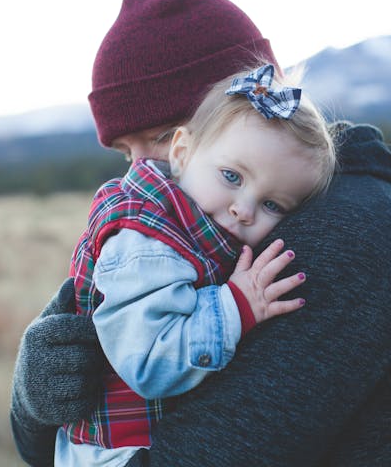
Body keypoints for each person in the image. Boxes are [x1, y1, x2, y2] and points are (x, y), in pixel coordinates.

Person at [10, 0, 391, 467]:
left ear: (247, 103)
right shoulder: (201, 227)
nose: (140, 175)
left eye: (160, 137)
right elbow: (48, 444)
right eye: (124, 153)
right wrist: (35, 400)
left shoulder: (342, 237)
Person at [56, 63, 336, 466]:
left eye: (272, 205)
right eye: (231, 176)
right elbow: (149, 362)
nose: (243, 209)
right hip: (117, 455)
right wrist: (236, 305)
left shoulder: (197, 225)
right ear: (182, 153)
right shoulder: (145, 242)